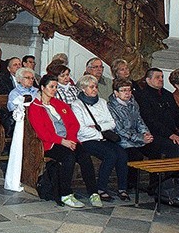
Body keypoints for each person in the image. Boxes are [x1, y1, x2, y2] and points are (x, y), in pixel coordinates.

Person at [27, 74, 102, 208]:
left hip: (69, 140)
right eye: (51, 87)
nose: (54, 89)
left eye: (56, 87)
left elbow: (74, 124)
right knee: (68, 157)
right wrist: (62, 141)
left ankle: (93, 193)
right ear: (43, 88)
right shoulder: (35, 107)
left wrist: (71, 140)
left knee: (84, 155)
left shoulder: (59, 104)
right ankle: (66, 194)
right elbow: (42, 132)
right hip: (50, 143)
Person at [71, 75, 130, 202]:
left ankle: (122, 188)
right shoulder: (77, 105)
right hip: (87, 140)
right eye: (91, 87)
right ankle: (101, 188)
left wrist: (98, 127)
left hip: (103, 137)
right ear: (83, 89)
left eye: (96, 86)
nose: (95, 89)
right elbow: (81, 129)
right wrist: (101, 132)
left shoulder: (102, 102)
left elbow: (112, 123)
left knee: (122, 154)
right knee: (110, 155)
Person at [133, 68, 179, 156]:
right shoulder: (143, 97)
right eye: (157, 77)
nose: (161, 79)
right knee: (175, 148)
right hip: (154, 135)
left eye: (162, 77)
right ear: (148, 80)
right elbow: (150, 121)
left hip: (172, 132)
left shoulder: (167, 95)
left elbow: (178, 116)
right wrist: (170, 135)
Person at [107, 78, 155, 189]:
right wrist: (140, 138)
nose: (127, 93)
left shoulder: (133, 103)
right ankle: (130, 184)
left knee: (154, 149)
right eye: (123, 90)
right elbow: (119, 129)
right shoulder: (111, 106)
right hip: (122, 139)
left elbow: (139, 120)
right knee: (135, 155)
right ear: (116, 93)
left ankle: (154, 184)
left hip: (136, 137)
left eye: (129, 90)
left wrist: (146, 133)